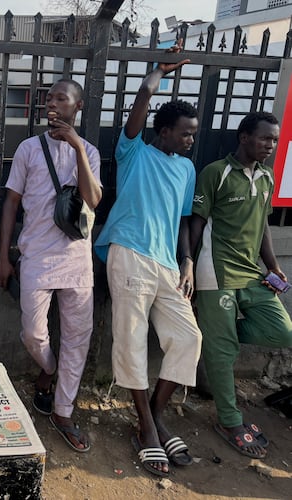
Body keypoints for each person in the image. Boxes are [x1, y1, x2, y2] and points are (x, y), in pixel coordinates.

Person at [94, 40, 202, 477]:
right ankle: (146, 426)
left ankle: (155, 416)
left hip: (168, 265)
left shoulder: (187, 168)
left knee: (189, 338)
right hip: (130, 253)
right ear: (163, 131)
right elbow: (141, 103)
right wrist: (159, 73)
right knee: (132, 340)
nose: (191, 139)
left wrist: (188, 262)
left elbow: (181, 221)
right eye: (185, 132)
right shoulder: (134, 150)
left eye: (194, 132)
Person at [0, 78, 102, 452]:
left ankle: (63, 410)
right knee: (33, 333)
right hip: (36, 255)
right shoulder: (28, 149)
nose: (53, 103)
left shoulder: (88, 150)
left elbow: (92, 200)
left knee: (78, 338)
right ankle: (49, 368)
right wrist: (3, 255)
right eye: (50, 98)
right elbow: (11, 202)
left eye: (62, 98)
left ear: (78, 106)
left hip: (76, 258)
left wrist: (76, 147)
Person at [190, 111, 292, 459]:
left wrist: (274, 267)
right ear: (244, 137)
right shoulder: (215, 174)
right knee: (221, 352)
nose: (270, 145)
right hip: (214, 272)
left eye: (275, 140)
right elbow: (195, 223)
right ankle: (230, 421)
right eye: (265, 138)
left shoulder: (267, 177)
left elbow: (263, 224)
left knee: (283, 331)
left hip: (252, 274)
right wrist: (186, 266)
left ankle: (221, 340)